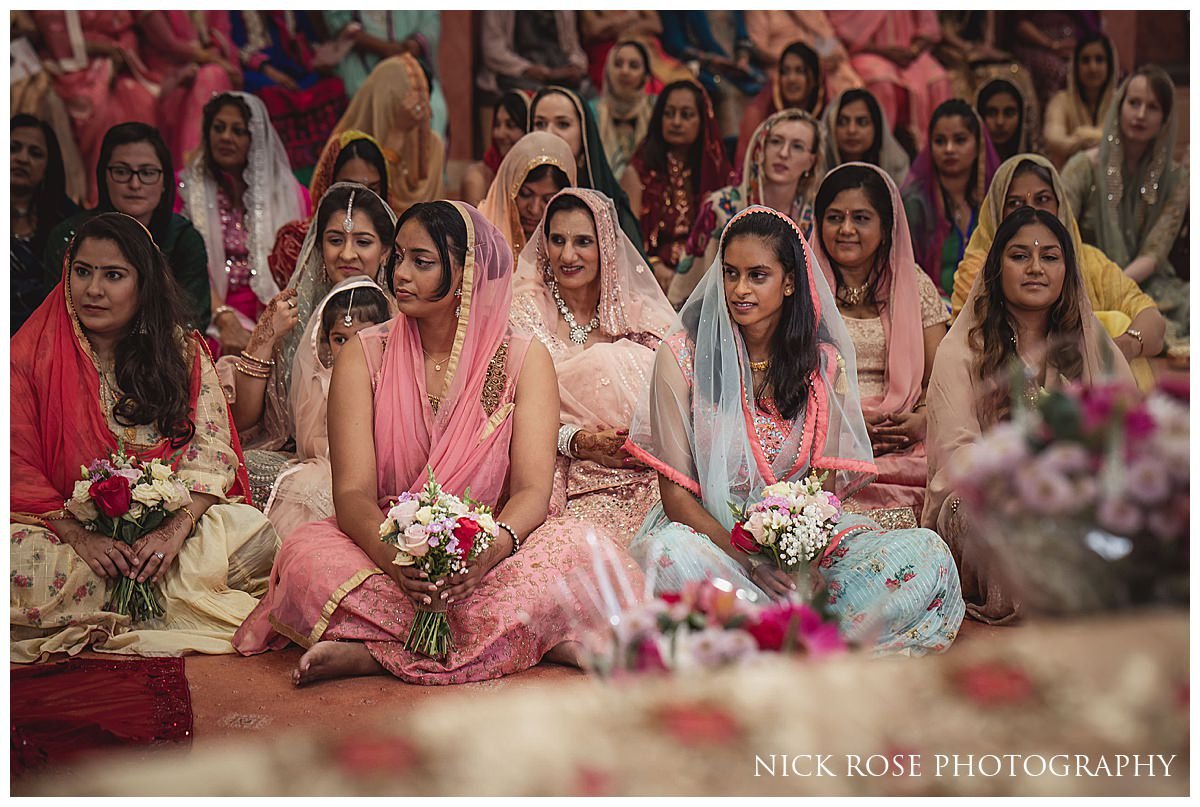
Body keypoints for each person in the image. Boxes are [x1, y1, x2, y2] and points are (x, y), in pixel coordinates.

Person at [233, 201, 644, 685]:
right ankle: (527, 637)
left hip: (488, 551)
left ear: (468, 275)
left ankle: (374, 649)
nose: (401, 274)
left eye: (422, 262)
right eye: (399, 257)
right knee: (305, 559)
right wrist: (398, 561)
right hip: (388, 548)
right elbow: (353, 496)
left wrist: (489, 550)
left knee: (580, 548)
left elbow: (532, 490)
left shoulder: (522, 360)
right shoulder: (365, 356)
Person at [625, 205, 964, 654]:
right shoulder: (681, 355)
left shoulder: (821, 362)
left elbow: (821, 483)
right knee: (667, 557)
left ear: (789, 282)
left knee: (927, 555)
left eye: (757, 275)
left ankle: (769, 630)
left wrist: (803, 560)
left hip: (801, 543)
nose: (739, 289)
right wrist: (748, 559)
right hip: (708, 538)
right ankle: (804, 632)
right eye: (729, 274)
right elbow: (675, 496)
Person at [11, 212, 278, 662]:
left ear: (144, 282)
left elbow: (210, 450)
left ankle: (120, 597)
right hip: (67, 534)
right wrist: (83, 538)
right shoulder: (29, 356)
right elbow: (16, 465)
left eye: (113, 275)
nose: (93, 290)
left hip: (171, 532)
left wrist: (170, 534)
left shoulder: (181, 350)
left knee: (252, 532)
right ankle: (154, 599)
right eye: (82, 272)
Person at [923, 206, 1134, 624]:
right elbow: (957, 456)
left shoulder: (1090, 343)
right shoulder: (962, 347)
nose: (1035, 267)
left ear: (1067, 270)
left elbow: (1127, 433)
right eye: (1019, 256)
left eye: (1050, 256)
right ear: (996, 268)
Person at [510, 188, 676, 544]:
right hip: (552, 466)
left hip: (642, 471)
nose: (567, 255)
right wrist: (578, 440)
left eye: (583, 241)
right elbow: (502, 412)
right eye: (557, 239)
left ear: (606, 246)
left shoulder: (639, 315)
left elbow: (680, 404)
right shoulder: (524, 311)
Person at [218, 183, 397, 506]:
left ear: (385, 250)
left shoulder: (404, 318)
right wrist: (267, 338)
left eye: (363, 242)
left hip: (383, 465)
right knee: (238, 466)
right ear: (319, 245)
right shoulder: (291, 312)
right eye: (335, 240)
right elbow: (243, 420)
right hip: (301, 457)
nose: (346, 254)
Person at [950, 155, 1167, 389]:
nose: (1031, 209)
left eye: (1043, 199)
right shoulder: (979, 271)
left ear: (1061, 205)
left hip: (1085, 394)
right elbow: (975, 349)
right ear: (996, 211)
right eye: (1015, 203)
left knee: (1116, 326)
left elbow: (1151, 318)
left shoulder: (1088, 260)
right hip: (1003, 392)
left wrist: (1124, 345)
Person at [812, 163, 948, 516]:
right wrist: (846, 426)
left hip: (909, 436)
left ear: (886, 229)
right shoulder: (803, 288)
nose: (846, 229)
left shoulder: (913, 284)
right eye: (834, 217)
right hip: (827, 436)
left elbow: (943, 376)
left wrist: (923, 419)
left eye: (861, 218)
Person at [1061, 67, 1189, 344]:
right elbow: (1061, 234)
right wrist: (1104, 285)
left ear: (1165, 118)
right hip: (1086, 280)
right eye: (1134, 103)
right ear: (1119, 106)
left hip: (1149, 283)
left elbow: (1155, 252)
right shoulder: (1082, 168)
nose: (1141, 115)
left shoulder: (1177, 180)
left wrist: (1120, 286)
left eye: (1152, 107)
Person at [45, 123, 210, 335]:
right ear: (104, 177)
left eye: (147, 173)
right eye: (121, 172)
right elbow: (55, 315)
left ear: (165, 182)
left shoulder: (184, 239)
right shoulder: (69, 236)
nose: (134, 184)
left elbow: (192, 320)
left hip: (160, 354)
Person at [177, 92, 309, 355]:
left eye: (238, 131)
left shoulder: (292, 195)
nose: (226, 137)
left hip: (273, 310)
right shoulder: (184, 190)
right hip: (205, 308)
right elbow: (183, 264)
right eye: (219, 128)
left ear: (256, 139)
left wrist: (272, 323)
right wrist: (223, 316)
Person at [263, 276, 392, 539]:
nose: (351, 347)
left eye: (361, 336)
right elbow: (311, 439)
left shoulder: (394, 380)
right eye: (340, 339)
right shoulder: (324, 381)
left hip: (383, 473)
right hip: (330, 470)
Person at [670, 108, 824, 308]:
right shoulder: (721, 207)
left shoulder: (816, 218)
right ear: (761, 147)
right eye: (775, 142)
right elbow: (686, 289)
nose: (784, 153)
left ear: (810, 162)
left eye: (797, 146)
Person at [31, 11, 158, 207]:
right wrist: (104, 49)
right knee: (94, 105)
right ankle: (96, 199)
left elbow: (127, 29)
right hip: (71, 62)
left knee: (140, 99)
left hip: (117, 63)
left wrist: (119, 52)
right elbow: (54, 30)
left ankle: (137, 199)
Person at [621, 80, 733, 291]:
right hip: (650, 280)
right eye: (669, 113)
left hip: (705, 278)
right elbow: (627, 238)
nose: (676, 122)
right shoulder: (637, 173)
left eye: (686, 114)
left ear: (703, 121)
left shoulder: (718, 174)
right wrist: (653, 265)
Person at [901, 100, 1001, 298]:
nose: (949, 149)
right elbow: (907, 272)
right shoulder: (916, 203)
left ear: (978, 143)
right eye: (939, 141)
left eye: (960, 140)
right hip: (931, 311)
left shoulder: (994, 199)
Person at [268, 130, 390, 290]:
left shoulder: (397, 243)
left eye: (372, 189)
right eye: (348, 187)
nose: (347, 255)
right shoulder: (293, 242)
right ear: (329, 182)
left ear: (384, 252)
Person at [229, 11, 350, 172]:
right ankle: (280, 166)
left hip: (296, 67)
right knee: (269, 95)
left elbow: (307, 37)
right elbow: (236, 47)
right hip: (259, 70)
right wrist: (271, 72)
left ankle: (330, 159)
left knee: (332, 87)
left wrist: (319, 58)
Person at [530, 86, 644, 253]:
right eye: (539, 123)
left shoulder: (613, 208)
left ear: (583, 133)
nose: (548, 133)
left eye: (563, 124)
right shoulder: (513, 197)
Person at [330, 54, 445, 218]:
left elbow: (436, 216)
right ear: (382, 100)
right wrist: (395, 136)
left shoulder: (432, 145)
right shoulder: (345, 145)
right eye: (407, 102)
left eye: (421, 102)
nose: (416, 112)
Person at [826, 11, 952, 150]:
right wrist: (886, 51)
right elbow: (837, 33)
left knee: (938, 80)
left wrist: (913, 50)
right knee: (881, 81)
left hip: (910, 54)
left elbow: (929, 28)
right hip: (867, 51)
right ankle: (880, 153)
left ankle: (938, 153)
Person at [138, 11, 241, 170]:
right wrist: (212, 60)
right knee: (212, 76)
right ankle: (197, 170)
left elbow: (219, 35)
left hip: (203, 70)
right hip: (165, 76)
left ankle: (201, 170)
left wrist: (213, 58)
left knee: (212, 76)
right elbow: (167, 43)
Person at [322, 12, 448, 139]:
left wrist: (412, 46)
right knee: (370, 108)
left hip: (409, 62)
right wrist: (386, 49)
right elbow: (339, 23)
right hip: (360, 65)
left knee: (433, 108)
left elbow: (431, 23)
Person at [12, 115, 78, 334]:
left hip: (49, 337)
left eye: (35, 153)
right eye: (13, 148)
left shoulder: (67, 220)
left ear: (48, 166)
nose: (22, 158)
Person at [477, 131, 576, 261]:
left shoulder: (574, 249)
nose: (534, 209)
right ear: (507, 186)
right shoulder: (477, 238)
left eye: (547, 200)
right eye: (526, 194)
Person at [735, 41, 825, 168]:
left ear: (815, 79)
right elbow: (745, 169)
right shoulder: (758, 116)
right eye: (785, 71)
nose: (791, 79)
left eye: (799, 71)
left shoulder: (827, 119)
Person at [744, 11, 862, 102]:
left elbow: (824, 36)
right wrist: (799, 59)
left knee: (849, 85)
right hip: (782, 65)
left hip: (820, 63)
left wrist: (833, 53)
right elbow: (759, 48)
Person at [1042, 33, 1119, 169]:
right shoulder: (1060, 101)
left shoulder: (1121, 102)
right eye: (1085, 60)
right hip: (1067, 180)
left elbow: (1124, 144)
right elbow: (1054, 140)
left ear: (1110, 65)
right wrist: (1102, 138)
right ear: (1075, 66)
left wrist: (1081, 135)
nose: (1092, 67)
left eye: (1099, 60)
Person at [476, 11, 588, 97]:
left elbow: (573, 47)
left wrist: (575, 66)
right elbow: (493, 50)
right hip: (517, 73)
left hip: (558, 68)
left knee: (590, 97)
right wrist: (532, 70)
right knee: (541, 99)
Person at [590, 41, 657, 179]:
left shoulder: (656, 108)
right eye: (618, 64)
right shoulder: (592, 111)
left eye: (633, 66)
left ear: (645, 75)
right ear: (608, 70)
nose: (624, 71)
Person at [823, 89, 910, 187]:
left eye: (862, 122)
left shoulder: (897, 171)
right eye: (842, 122)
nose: (852, 130)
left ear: (877, 128)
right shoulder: (816, 173)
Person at [460, 91, 531, 208]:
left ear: (529, 130)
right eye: (497, 124)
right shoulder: (478, 179)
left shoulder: (537, 180)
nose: (499, 134)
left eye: (511, 125)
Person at [976, 78, 1039, 163]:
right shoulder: (965, 168)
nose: (1000, 122)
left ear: (1022, 117)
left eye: (1009, 113)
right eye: (991, 113)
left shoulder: (1036, 167)